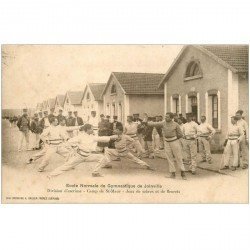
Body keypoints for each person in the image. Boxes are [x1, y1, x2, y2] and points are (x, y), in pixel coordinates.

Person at [48, 124, 115, 178]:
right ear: (88, 129)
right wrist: (74, 148)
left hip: (88, 156)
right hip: (79, 156)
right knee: (66, 166)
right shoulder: (80, 136)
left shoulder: (92, 136)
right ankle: (51, 175)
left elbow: (101, 138)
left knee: (102, 158)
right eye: (92, 128)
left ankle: (95, 172)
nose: (93, 130)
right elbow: (69, 141)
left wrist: (112, 137)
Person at [146, 112, 187, 180]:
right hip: (167, 142)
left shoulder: (175, 124)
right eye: (165, 116)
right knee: (169, 157)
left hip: (174, 141)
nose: (165, 118)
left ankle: (183, 173)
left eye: (167, 117)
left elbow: (180, 134)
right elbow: (154, 124)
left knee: (178, 157)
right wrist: (146, 123)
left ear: (171, 118)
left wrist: (175, 138)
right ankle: (172, 173)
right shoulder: (163, 123)